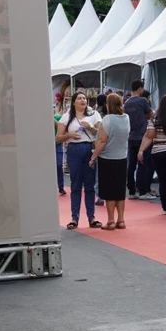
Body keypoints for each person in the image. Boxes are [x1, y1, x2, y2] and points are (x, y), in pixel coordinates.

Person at [56, 92, 102, 230]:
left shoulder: (94, 115)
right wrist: (69, 135)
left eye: (84, 98)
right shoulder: (67, 117)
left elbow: (100, 133)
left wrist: (90, 127)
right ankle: (74, 217)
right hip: (73, 150)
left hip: (89, 149)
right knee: (75, 184)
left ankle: (91, 217)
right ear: (74, 102)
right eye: (80, 98)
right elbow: (58, 137)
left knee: (90, 184)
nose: (83, 100)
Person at [91, 93, 130, 229]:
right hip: (122, 157)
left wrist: (94, 156)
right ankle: (121, 219)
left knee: (109, 191)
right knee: (120, 190)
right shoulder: (126, 118)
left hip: (107, 158)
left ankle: (111, 221)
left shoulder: (107, 119)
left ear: (109, 105)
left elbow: (102, 140)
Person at [123, 81, 154, 200]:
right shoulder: (142, 101)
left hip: (131, 136)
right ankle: (142, 191)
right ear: (140, 89)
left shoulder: (127, 102)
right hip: (142, 136)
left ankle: (131, 190)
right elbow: (150, 113)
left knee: (131, 165)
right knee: (143, 164)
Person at [53, 110, 66, 196]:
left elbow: (61, 129)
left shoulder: (58, 117)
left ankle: (61, 187)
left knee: (58, 164)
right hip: (46, 145)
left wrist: (53, 120)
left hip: (57, 145)